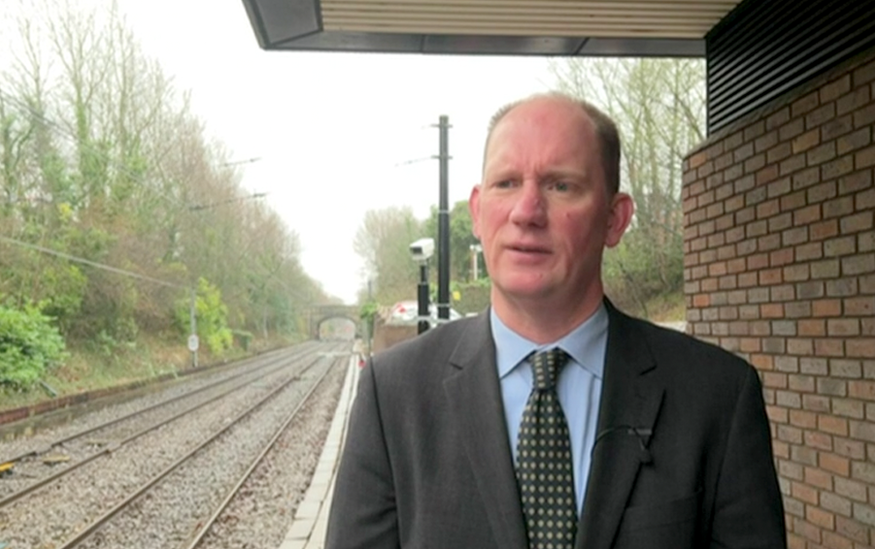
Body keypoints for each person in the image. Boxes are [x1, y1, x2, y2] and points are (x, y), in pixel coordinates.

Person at [325, 92, 786, 549]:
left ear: (614, 219)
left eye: (560, 185)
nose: (527, 212)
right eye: (506, 183)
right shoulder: (394, 396)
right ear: (478, 213)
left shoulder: (718, 397)